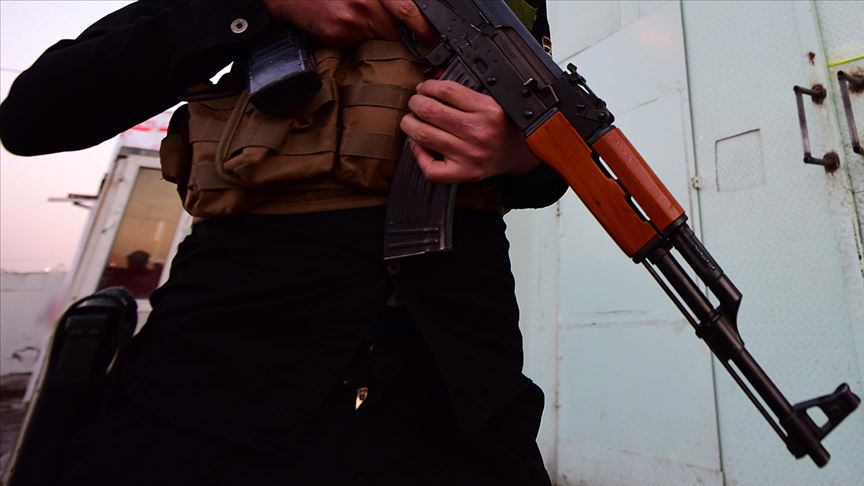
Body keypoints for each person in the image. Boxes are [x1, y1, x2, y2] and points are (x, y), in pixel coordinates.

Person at [0, 1, 568, 484]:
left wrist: (521, 153)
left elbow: (551, 165)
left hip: (458, 384)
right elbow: (33, 116)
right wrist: (264, 6)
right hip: (217, 371)